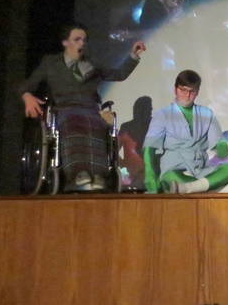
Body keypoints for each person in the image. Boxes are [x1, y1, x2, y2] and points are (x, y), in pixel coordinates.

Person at [20, 23, 145, 191]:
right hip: (66, 109)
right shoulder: (50, 63)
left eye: (84, 40)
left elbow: (119, 74)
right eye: (77, 39)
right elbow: (27, 85)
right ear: (65, 42)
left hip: (90, 109)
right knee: (74, 124)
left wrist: (133, 56)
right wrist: (27, 96)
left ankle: (98, 174)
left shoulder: (91, 64)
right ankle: (79, 173)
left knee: (97, 125)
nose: (82, 43)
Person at [143, 70, 228, 194]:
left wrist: (223, 147)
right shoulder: (162, 115)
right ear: (175, 89)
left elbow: (219, 144)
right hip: (174, 170)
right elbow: (149, 148)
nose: (187, 95)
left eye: (192, 91)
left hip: (201, 170)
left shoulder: (206, 113)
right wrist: (150, 175)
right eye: (183, 90)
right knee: (171, 178)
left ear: (197, 92)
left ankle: (189, 188)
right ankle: (206, 187)